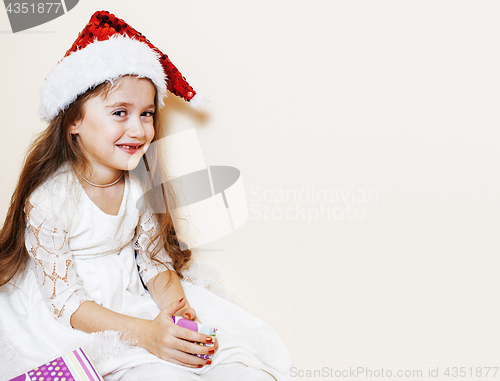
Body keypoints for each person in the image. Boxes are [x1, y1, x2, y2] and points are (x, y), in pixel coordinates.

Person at [0, 10, 293, 381]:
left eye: (147, 114)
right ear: (74, 120)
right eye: (120, 112)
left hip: (129, 293)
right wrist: (148, 335)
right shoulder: (49, 202)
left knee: (228, 359)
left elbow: (153, 264)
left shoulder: (139, 186)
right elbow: (66, 304)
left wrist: (177, 314)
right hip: (77, 314)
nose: (138, 129)